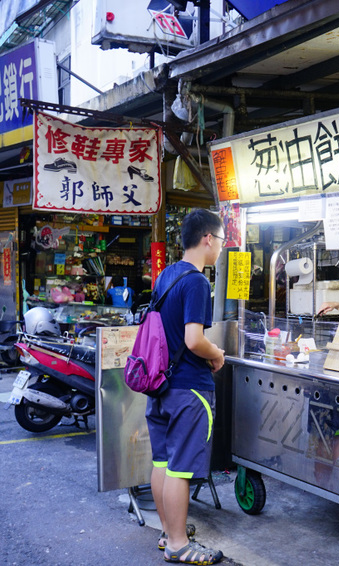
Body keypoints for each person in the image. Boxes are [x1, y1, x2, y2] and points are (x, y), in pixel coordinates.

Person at [146, 208, 226, 565]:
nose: (221, 248)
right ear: (208, 238)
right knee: (180, 468)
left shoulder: (166, 275)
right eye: (221, 240)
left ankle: (168, 533)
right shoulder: (197, 281)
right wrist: (217, 353)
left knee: (162, 462)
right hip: (188, 390)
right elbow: (194, 340)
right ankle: (179, 544)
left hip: (160, 386)